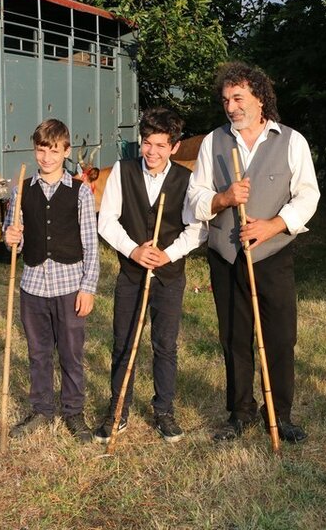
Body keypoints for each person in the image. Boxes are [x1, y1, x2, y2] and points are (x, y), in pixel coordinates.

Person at [187, 61, 320, 443]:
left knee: (280, 337)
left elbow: (308, 196)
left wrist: (273, 225)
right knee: (234, 337)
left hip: (271, 255)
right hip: (226, 257)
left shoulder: (291, 141)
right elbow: (195, 197)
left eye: (238, 98)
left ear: (260, 98)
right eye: (226, 100)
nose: (231, 107)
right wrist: (223, 198)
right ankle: (240, 411)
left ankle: (280, 413)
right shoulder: (213, 142)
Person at [94, 107, 206, 444]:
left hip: (169, 275)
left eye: (160, 145)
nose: (152, 152)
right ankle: (118, 409)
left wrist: (167, 254)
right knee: (123, 342)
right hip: (131, 274)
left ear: (174, 147)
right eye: (147, 143)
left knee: (165, 345)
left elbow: (197, 229)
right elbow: (107, 220)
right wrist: (133, 251)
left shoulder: (187, 179)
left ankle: (164, 411)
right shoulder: (123, 171)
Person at [4, 119, 99, 443]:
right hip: (32, 287)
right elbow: (14, 237)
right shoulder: (21, 190)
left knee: (71, 353)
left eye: (54, 151)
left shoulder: (80, 192)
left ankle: (73, 412)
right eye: (41, 150)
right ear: (35, 150)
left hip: (69, 286)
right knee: (38, 353)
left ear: (66, 151)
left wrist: (88, 288)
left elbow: (91, 245)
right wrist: (11, 237)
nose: (47, 157)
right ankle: (41, 409)